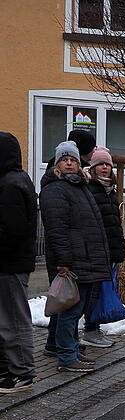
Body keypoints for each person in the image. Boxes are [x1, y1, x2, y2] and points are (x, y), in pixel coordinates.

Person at [39, 141, 112, 373]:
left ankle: (70, 349)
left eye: (72, 160)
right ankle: (66, 356)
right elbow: (57, 230)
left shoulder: (80, 186)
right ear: (57, 164)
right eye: (64, 160)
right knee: (69, 311)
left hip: (86, 257)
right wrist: (64, 261)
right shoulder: (55, 189)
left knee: (76, 310)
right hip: (72, 261)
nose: (69, 163)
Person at [0, 132, 38, 392]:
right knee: (7, 319)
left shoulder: (10, 184)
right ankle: (9, 368)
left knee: (13, 319)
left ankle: (22, 372)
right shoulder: (15, 180)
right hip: (11, 263)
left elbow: (11, 230)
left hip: (10, 264)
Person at [82, 146, 125, 349]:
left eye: (107, 164)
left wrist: (119, 250)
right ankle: (90, 330)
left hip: (109, 251)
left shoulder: (110, 191)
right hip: (97, 251)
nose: (105, 168)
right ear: (93, 167)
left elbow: (114, 224)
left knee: (100, 291)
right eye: (100, 164)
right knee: (94, 292)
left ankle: (94, 329)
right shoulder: (90, 189)